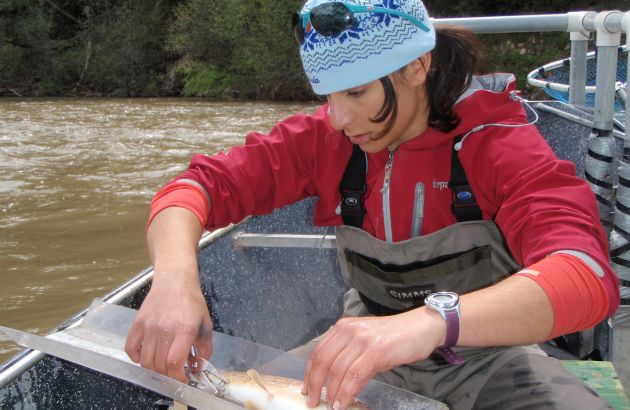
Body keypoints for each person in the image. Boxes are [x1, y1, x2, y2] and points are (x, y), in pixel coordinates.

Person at [125, 0, 620, 409]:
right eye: (328, 95)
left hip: (490, 358)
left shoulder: (498, 143)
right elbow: (193, 190)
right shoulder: (328, 138)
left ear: (416, 67)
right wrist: (174, 281)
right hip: (355, 351)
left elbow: (585, 275)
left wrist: (430, 323)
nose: (338, 117)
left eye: (357, 92)